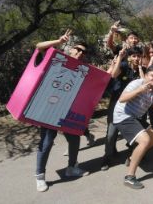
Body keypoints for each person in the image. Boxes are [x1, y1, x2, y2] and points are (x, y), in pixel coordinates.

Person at [34, 30, 89, 192]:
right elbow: (39, 47)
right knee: (46, 143)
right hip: (50, 108)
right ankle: (40, 176)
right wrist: (58, 41)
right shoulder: (57, 59)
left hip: (68, 110)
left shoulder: (82, 68)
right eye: (77, 49)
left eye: (83, 52)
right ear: (70, 49)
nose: (80, 53)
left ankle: (71, 168)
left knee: (74, 138)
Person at [113, 65, 153, 189]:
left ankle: (131, 157)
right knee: (145, 140)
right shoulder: (137, 83)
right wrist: (140, 89)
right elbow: (122, 99)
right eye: (152, 75)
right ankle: (129, 177)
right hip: (123, 116)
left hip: (135, 117)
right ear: (146, 76)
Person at [100, 46, 145, 171]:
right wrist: (120, 57)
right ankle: (107, 157)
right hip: (116, 105)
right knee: (111, 134)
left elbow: (144, 83)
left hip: (132, 108)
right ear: (129, 57)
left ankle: (131, 156)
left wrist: (140, 67)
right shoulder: (124, 66)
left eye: (139, 56)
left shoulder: (141, 70)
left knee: (133, 134)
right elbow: (113, 74)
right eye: (134, 56)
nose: (136, 58)